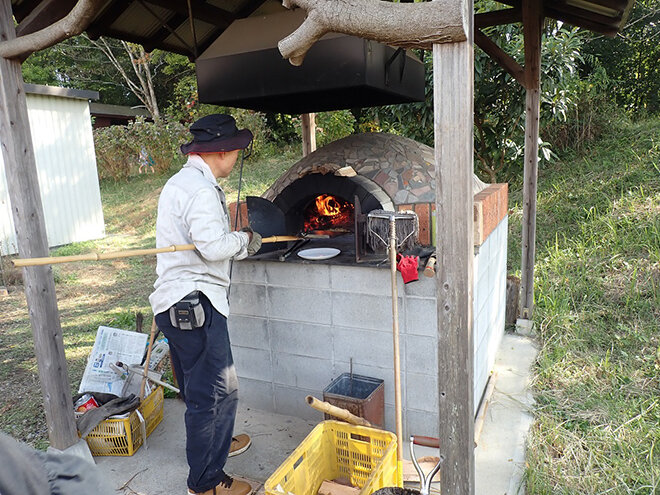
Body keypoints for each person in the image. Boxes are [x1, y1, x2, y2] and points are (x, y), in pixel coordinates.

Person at [149, 114, 262, 495]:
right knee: (216, 394)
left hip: (175, 304)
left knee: (202, 391)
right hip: (195, 305)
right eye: (237, 150)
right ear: (223, 151)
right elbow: (213, 247)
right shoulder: (198, 189)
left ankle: (215, 445)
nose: (238, 157)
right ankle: (206, 483)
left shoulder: (181, 182)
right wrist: (244, 239)